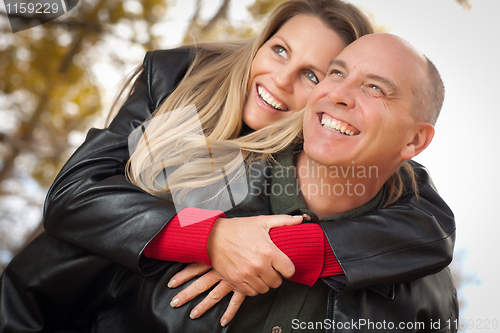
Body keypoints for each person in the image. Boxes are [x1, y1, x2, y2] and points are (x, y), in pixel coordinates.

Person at [0, 32, 457, 333]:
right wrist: (207, 236)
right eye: (335, 73)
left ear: (415, 140)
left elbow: (432, 225)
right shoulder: (186, 177)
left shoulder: (425, 286)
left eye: (375, 88)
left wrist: (296, 249)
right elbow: (30, 294)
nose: (337, 92)